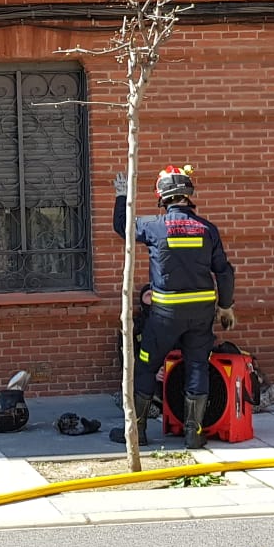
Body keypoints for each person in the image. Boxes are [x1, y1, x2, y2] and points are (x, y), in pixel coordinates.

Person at [111, 164, 237, 447]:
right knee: (197, 367)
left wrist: (121, 195)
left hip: (165, 316)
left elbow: (123, 227)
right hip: (202, 315)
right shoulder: (207, 229)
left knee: (145, 366)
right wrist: (226, 306)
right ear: (188, 196)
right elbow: (224, 271)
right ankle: (194, 434)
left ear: (162, 197)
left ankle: (137, 433)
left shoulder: (153, 226)